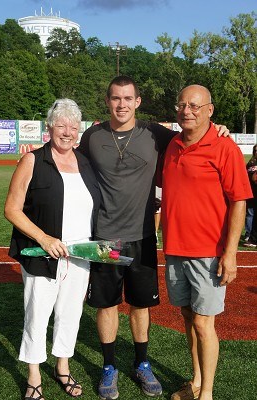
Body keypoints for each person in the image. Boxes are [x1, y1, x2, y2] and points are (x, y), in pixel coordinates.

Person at [78, 76, 229, 400]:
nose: (121, 104)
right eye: (116, 98)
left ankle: (142, 363)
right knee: (106, 305)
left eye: (127, 98)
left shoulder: (154, 133)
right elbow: (70, 165)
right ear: (108, 101)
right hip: (105, 238)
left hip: (143, 235)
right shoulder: (92, 136)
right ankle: (109, 366)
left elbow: (194, 132)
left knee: (140, 304)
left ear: (138, 101)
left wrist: (220, 128)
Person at [161, 85, 253, 400]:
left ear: (210, 110)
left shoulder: (225, 148)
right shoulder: (172, 144)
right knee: (188, 317)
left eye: (195, 106)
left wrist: (230, 254)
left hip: (208, 254)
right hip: (175, 249)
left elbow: (239, 201)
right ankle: (196, 381)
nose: (187, 111)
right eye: (182, 105)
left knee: (203, 323)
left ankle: (207, 394)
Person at [4, 99, 100, 400]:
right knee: (37, 315)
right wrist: (44, 239)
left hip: (79, 256)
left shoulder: (85, 162)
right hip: (41, 255)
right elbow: (12, 209)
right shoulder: (33, 160)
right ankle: (34, 375)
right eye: (61, 125)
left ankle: (62, 367)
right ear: (49, 128)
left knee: (70, 314)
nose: (67, 132)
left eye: (73, 126)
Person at [243, 144, 257, 245]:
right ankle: (248, 234)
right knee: (250, 214)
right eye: (255, 150)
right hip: (251, 192)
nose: (256, 152)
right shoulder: (251, 163)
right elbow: (250, 178)